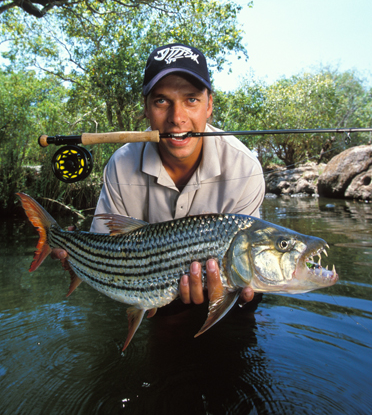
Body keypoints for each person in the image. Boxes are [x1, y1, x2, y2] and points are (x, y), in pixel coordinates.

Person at [87, 43, 265, 307]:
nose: (177, 117)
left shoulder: (245, 168)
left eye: (191, 99)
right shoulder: (120, 165)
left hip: (232, 296)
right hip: (152, 293)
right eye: (161, 101)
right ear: (146, 108)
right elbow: (105, 250)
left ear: (209, 105)